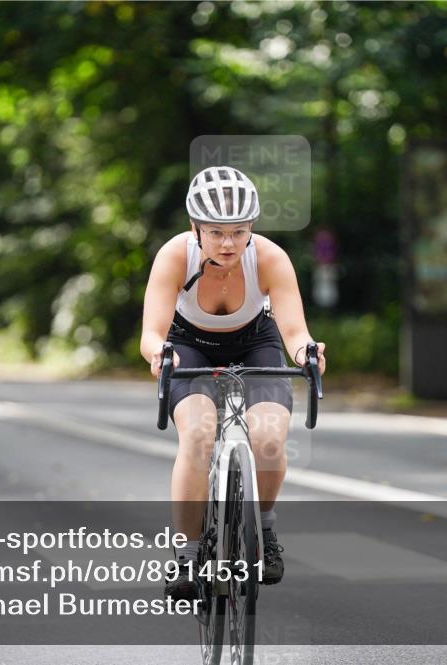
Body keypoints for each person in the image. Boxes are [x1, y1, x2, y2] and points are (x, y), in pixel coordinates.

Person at [140, 166, 326, 601]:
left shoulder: (269, 258)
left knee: (268, 439)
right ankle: (185, 556)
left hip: (255, 343)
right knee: (200, 435)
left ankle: (264, 529)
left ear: (251, 229)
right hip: (188, 346)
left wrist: (306, 353)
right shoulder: (173, 255)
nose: (228, 243)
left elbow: (294, 331)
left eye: (239, 232)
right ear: (195, 229)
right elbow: (152, 331)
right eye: (216, 232)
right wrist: (158, 355)